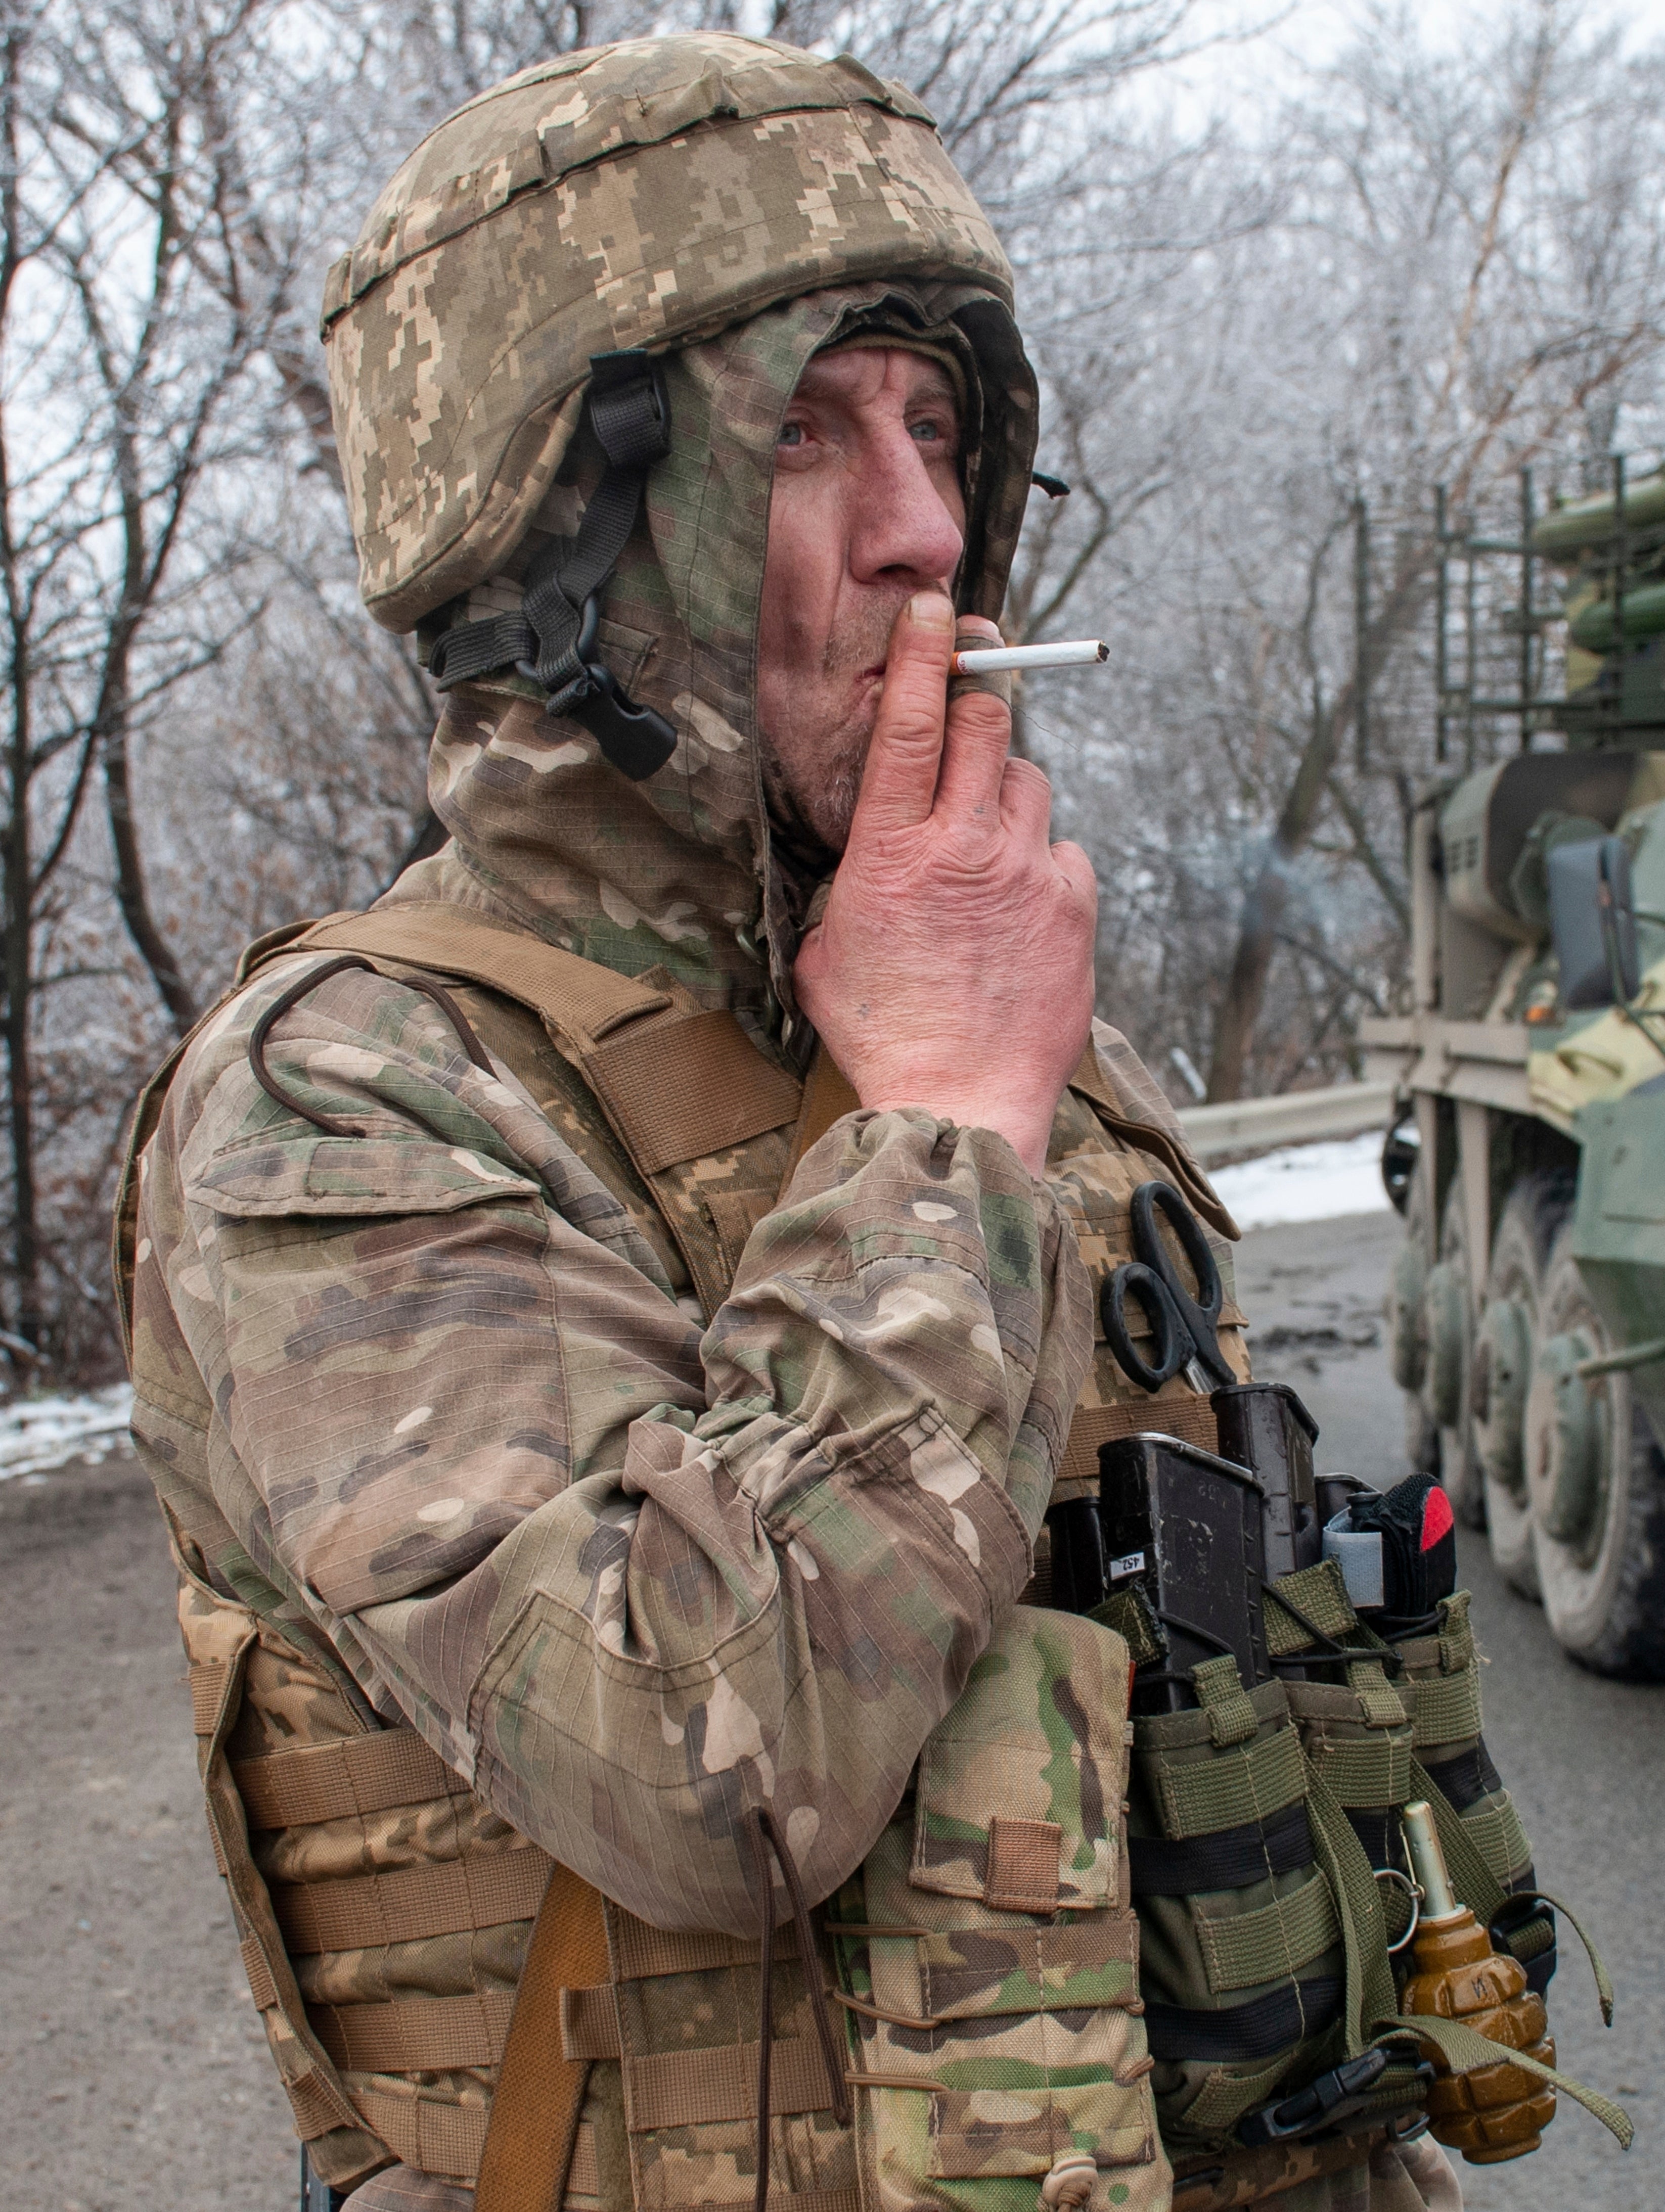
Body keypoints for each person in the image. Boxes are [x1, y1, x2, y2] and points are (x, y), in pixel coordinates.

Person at [118, 36, 1455, 2212]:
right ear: (568, 522)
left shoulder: (1011, 1011)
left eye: (940, 428)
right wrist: (936, 1127)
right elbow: (699, 1764)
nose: (927, 525)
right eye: (813, 430)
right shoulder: (349, 1092)